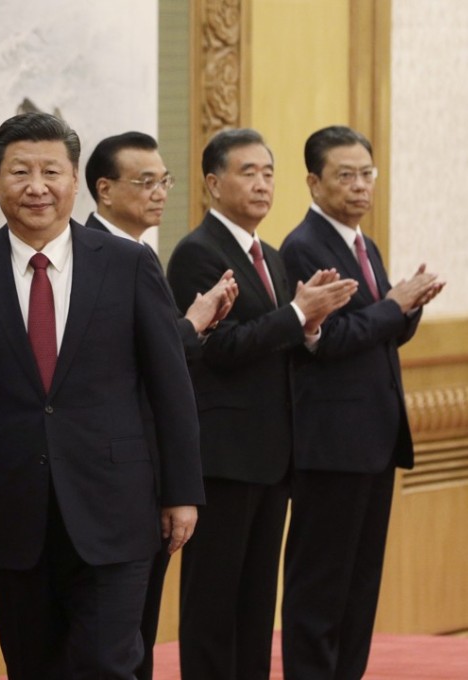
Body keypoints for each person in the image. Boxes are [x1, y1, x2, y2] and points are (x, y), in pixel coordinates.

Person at [0, 112, 204, 679]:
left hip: (117, 509)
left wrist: (181, 491)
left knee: (107, 664)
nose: (36, 186)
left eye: (52, 171)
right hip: (15, 514)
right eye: (20, 171)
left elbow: (170, 387)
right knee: (33, 667)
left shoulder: (128, 265)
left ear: (76, 180)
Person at [166, 128, 356, 680]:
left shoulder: (270, 257)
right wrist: (296, 316)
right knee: (212, 607)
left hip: (272, 459)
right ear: (212, 182)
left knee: (254, 608)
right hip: (223, 461)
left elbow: (274, 342)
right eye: (247, 172)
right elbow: (215, 349)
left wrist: (308, 320)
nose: (261, 184)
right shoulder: (196, 253)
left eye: (268, 173)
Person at [279, 125, 444, 680]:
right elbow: (325, 342)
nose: (359, 186)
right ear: (314, 181)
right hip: (331, 446)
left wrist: (408, 305)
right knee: (320, 586)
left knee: (359, 587)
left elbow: (374, 335)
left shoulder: (361, 243)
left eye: (366, 174)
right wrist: (392, 305)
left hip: (372, 440)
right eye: (345, 175)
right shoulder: (303, 246)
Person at [83, 130, 237, 680]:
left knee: (138, 639)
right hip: (107, 479)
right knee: (113, 644)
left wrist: (188, 327)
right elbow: (123, 363)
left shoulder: (139, 253)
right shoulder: (90, 256)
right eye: (144, 181)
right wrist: (191, 326)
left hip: (146, 474)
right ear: (104, 189)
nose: (159, 192)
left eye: (164, 180)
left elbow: (160, 367)